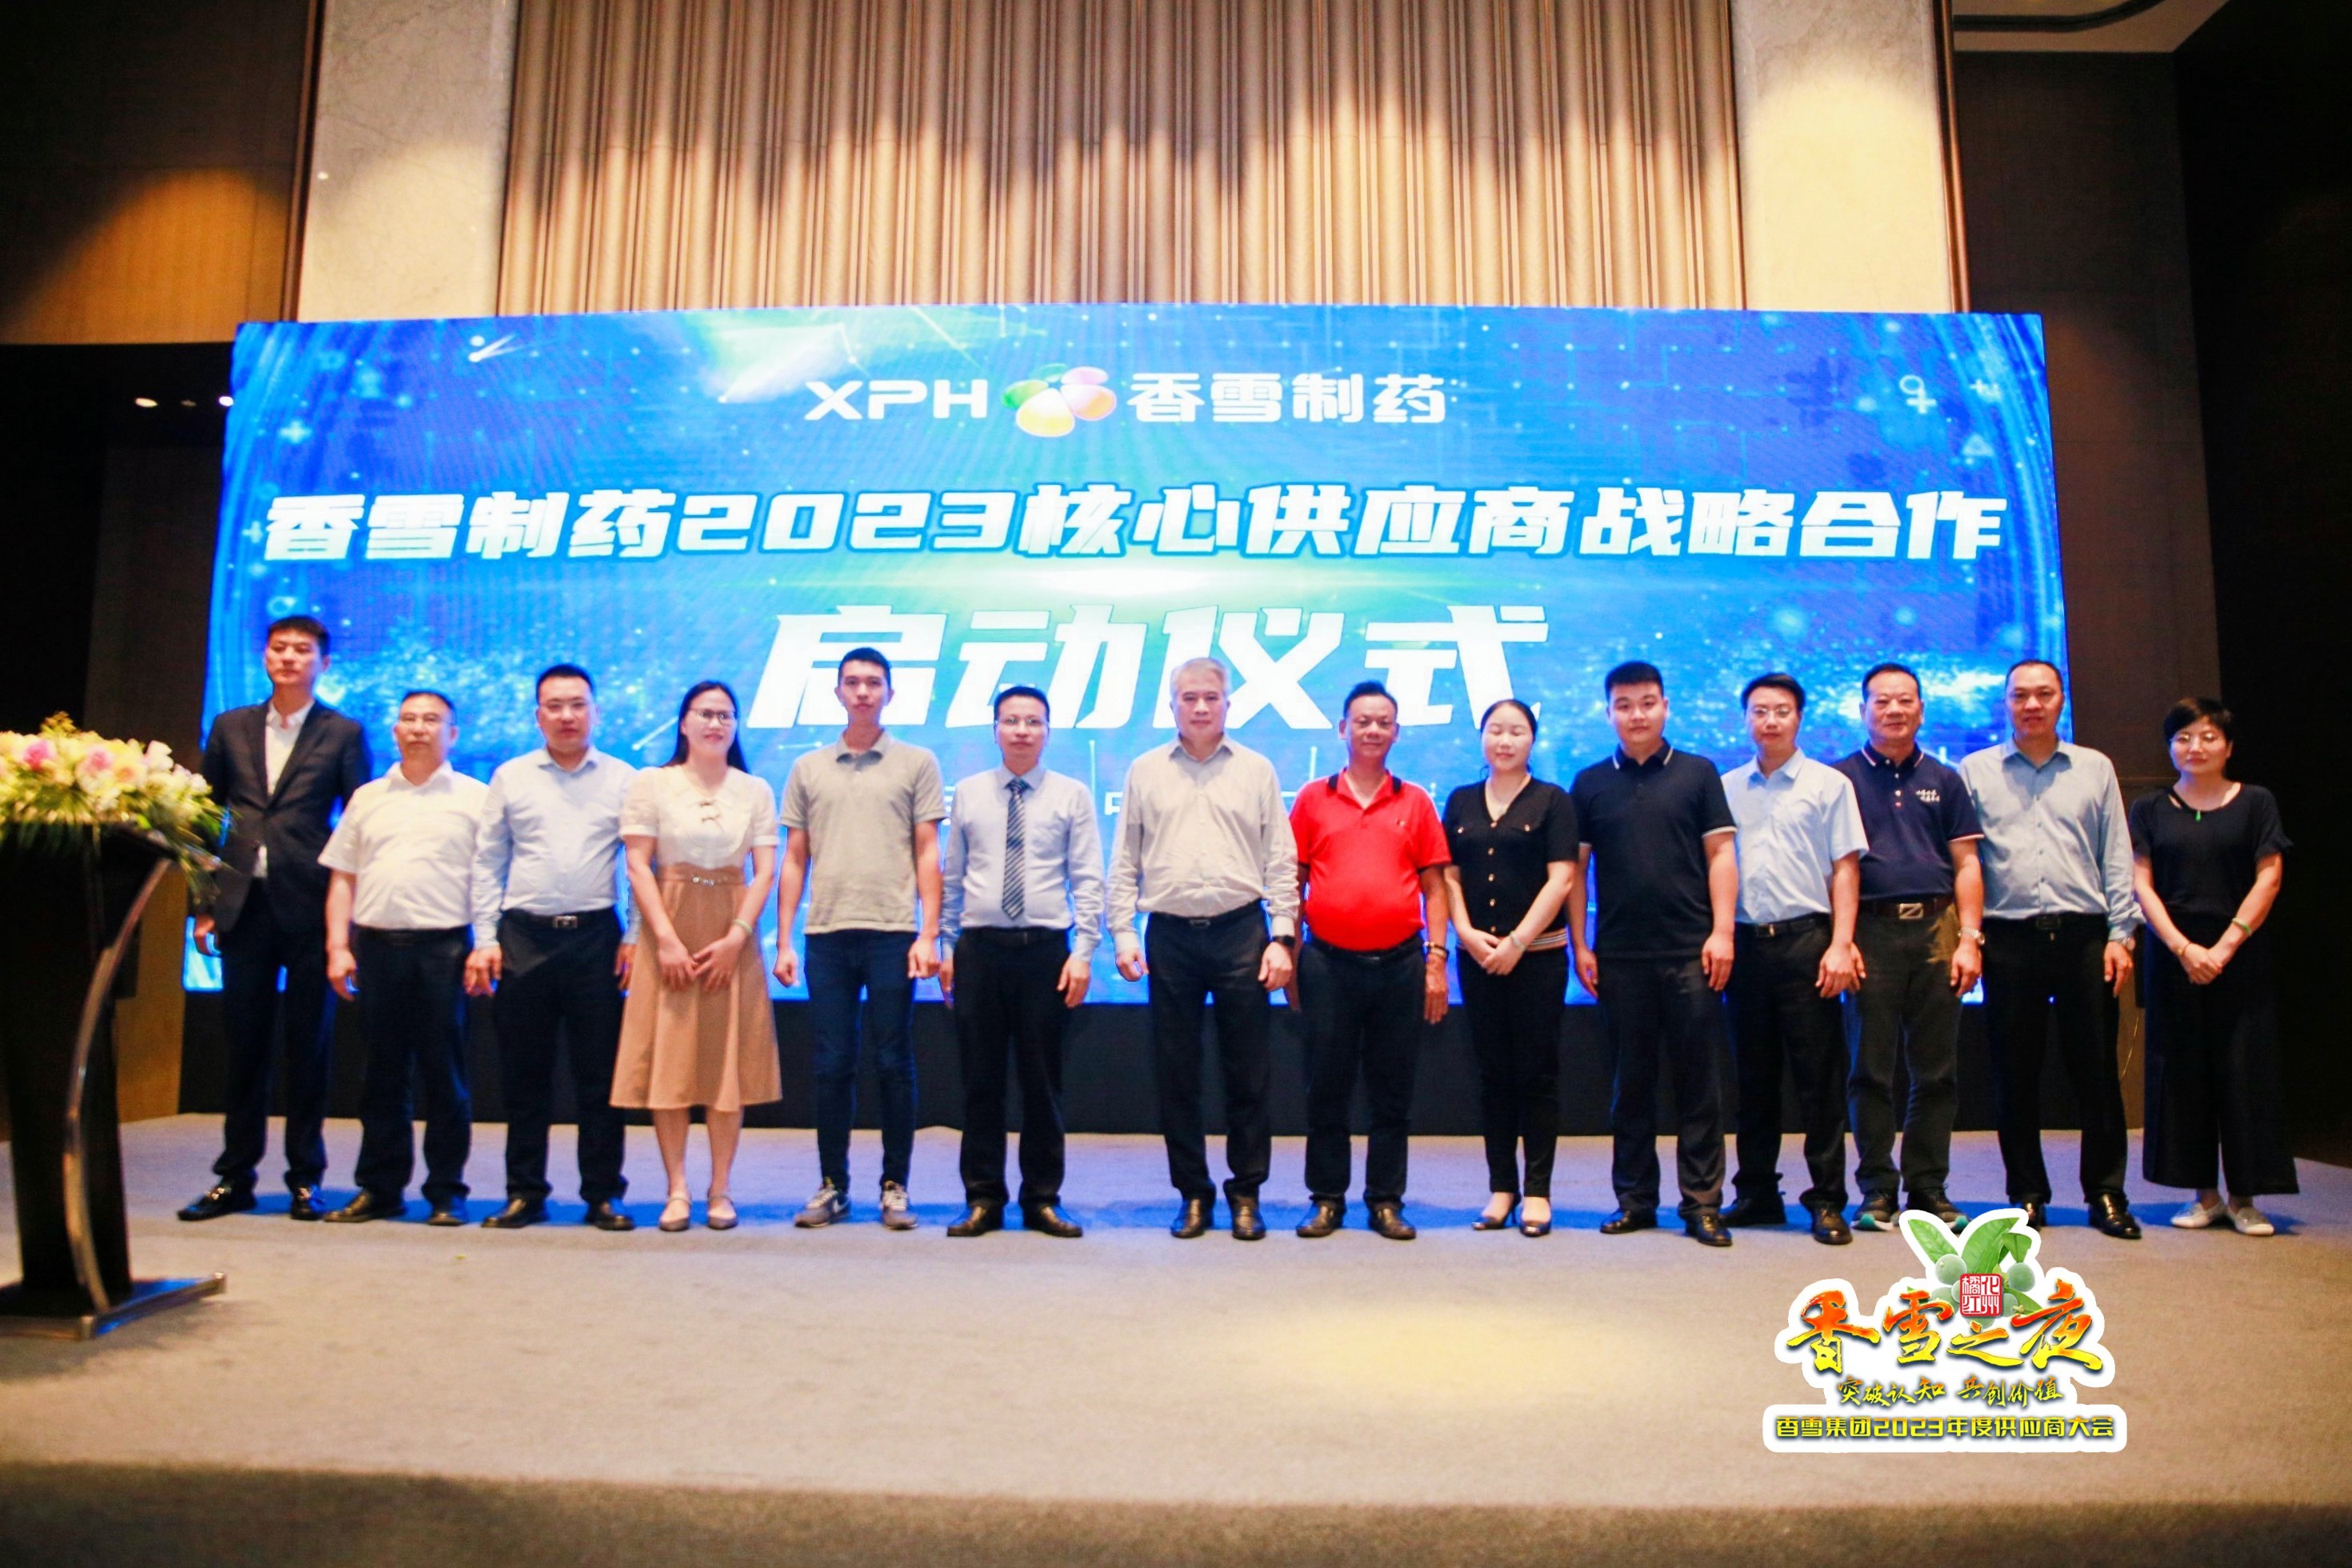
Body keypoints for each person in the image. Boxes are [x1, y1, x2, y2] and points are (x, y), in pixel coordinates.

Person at [179, 614, 371, 1222]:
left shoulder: (343, 732)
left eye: (302, 650)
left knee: (308, 1047)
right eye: (280, 648)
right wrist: (203, 905)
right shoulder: (230, 726)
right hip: (243, 905)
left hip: (311, 905)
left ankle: (305, 1180)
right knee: (245, 1045)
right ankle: (234, 1177)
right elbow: (203, 817)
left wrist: (348, 923)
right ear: (265, 657)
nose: (289, 657)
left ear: (323, 663)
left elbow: (359, 823)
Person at [1107, 656, 1298, 1242]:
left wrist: (1283, 937)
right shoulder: (1145, 771)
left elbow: (1281, 859)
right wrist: (1122, 931)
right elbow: (1125, 859)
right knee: (1177, 1072)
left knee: (1249, 1073)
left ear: (1227, 704)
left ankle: (1247, 1194)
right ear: (1172, 705)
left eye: (1210, 697)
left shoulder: (1257, 770)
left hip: (1242, 932)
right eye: (1188, 697)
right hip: (1170, 935)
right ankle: (1193, 1193)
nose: (1199, 707)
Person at [1958, 658, 2142, 1239]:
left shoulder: (2095, 767)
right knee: (2014, 1073)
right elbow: (1964, 860)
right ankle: (2027, 1196)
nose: (2032, 704)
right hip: (2009, 938)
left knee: (2096, 1070)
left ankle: (2106, 1193)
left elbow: (2116, 853)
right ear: (2005, 702)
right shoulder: (1976, 770)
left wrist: (2121, 934)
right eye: (2020, 695)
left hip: (2085, 937)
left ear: (2061, 699)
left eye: (2043, 694)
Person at [1569, 661, 1740, 1247]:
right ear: (1609, 712)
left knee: (1699, 1084)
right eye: (1624, 705)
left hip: (1692, 951)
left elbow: (1721, 855)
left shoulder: (1698, 773)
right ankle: (1635, 1200)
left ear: (1666, 706)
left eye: (1647, 703)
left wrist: (1723, 932)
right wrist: (1581, 944)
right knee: (1631, 1085)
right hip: (1620, 957)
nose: (1636, 715)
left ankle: (1702, 1204)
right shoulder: (1590, 783)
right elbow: (1577, 872)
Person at [774, 648, 945, 1230]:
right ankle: (833, 1184)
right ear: (838, 692)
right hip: (826, 934)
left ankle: (895, 1186)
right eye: (853, 682)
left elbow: (928, 849)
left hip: (893, 933)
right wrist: (784, 940)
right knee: (831, 1064)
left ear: (890, 693)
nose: (864, 692)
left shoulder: (916, 763)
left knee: (894, 1060)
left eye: (874, 683)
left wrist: (928, 932)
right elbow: (794, 857)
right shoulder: (809, 768)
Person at [466, 664, 638, 1232]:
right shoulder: (511, 776)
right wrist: (484, 938)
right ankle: (524, 1192)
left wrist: (635, 934)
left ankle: (603, 1194)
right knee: (524, 1077)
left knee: (600, 1077)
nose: (567, 716)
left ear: (596, 712)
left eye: (578, 705)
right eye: (555, 706)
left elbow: (642, 865)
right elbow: (488, 862)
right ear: (537, 716)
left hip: (596, 938)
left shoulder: (624, 779)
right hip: (523, 938)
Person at [614, 681, 781, 1233]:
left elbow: (765, 871)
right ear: (683, 722)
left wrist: (737, 936)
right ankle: (677, 1188)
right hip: (669, 921)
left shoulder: (754, 789)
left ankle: (720, 1188)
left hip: (732, 926)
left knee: (725, 1058)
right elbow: (638, 865)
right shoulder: (652, 782)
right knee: (672, 1056)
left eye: (726, 715)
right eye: (705, 714)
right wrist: (663, 938)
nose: (715, 724)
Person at [318, 690, 489, 1225]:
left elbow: (490, 880)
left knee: (445, 1077)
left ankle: (446, 1192)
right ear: (394, 731)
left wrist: (485, 944)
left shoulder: (477, 798)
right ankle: (380, 1188)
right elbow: (343, 877)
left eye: (431, 720)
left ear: (452, 734)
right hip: (377, 948)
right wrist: (338, 947)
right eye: (409, 719)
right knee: (381, 1077)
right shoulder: (368, 797)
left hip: (445, 949)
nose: (418, 728)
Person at [1288, 682, 1451, 1242]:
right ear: (1343, 729)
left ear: (1396, 732)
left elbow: (1435, 887)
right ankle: (1326, 1199)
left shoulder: (1415, 802)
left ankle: (1385, 1201)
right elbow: (1293, 881)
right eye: (1363, 721)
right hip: (1328, 965)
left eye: (1383, 722)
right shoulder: (1313, 798)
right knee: (1325, 1087)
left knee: (1392, 1090)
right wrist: (1290, 951)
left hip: (1400, 966)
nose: (1373, 730)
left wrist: (1436, 960)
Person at [938, 686, 1102, 1239]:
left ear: (1048, 731)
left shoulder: (1072, 794)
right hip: (979, 951)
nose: (1022, 731)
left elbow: (1087, 877)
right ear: (995, 729)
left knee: (1042, 1083)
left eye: (1033, 721)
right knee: (980, 1083)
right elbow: (954, 876)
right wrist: (946, 947)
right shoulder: (969, 793)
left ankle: (1042, 1199)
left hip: (1045, 953)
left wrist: (1084, 952)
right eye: (1011, 721)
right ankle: (983, 1199)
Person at [2129, 698, 2293, 1236]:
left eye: (2207, 737)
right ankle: (2204, 1196)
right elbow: (2141, 884)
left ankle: (2245, 1199)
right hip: (2173, 955)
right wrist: (2183, 948)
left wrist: (2223, 948)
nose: (2194, 747)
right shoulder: (2150, 808)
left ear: (2228, 746)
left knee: (2244, 1072)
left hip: (2239, 955)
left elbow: (2269, 877)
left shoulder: (2256, 802)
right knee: (2183, 1073)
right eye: (2183, 738)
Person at [1833, 662, 1985, 1233]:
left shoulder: (1945, 779)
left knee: (1936, 1071)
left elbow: (1967, 863)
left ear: (1921, 709)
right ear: (1863, 710)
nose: (1894, 710)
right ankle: (1876, 1190)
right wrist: (1842, 940)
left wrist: (1970, 939)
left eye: (1905, 700)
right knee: (1869, 1071)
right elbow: (1835, 867)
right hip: (1869, 932)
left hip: (1937, 931)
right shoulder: (1839, 779)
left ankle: (1927, 1188)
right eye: (1882, 701)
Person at [1720, 674, 1867, 1246]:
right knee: (1753, 1078)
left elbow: (1846, 870)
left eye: (1781, 711)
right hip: (1746, 946)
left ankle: (1827, 1199)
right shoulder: (1726, 787)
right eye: (1760, 711)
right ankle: (1757, 1191)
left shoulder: (1830, 785)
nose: (1770, 721)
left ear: (1799, 718)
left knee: (1819, 1079)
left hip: (1809, 942)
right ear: (1746, 719)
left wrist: (1841, 943)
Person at [1443, 699, 1578, 1238]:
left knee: (1537, 1074)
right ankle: (1502, 1188)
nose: (1505, 741)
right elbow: (1448, 876)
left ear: (1532, 740)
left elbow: (1562, 878)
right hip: (1477, 957)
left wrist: (1518, 941)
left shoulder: (1553, 800)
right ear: (1482, 737)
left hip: (1538, 957)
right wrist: (1464, 932)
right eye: (1495, 731)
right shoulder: (1460, 800)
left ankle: (1538, 1192)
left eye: (1516, 731)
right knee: (1493, 1074)